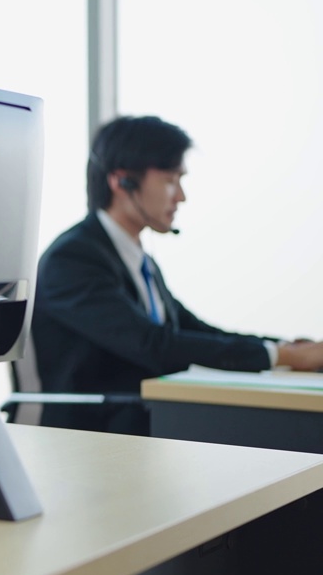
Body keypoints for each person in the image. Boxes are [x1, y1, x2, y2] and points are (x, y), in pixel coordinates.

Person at [31, 115, 323, 436]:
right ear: (122, 181)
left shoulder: (137, 259)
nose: (180, 196)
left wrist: (283, 348)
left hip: (148, 423)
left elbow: (193, 329)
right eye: (170, 179)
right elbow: (153, 345)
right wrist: (282, 355)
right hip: (96, 436)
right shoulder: (73, 258)